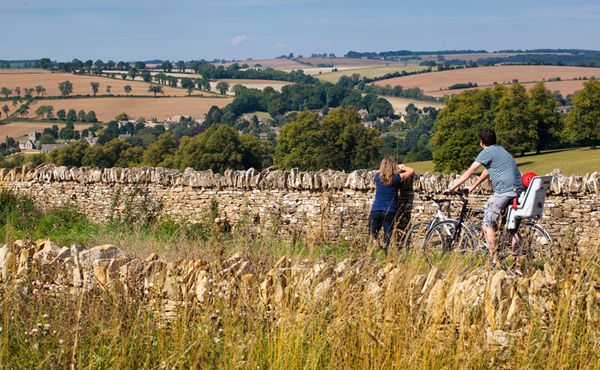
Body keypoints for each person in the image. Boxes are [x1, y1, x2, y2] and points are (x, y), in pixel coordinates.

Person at [445, 128, 523, 266]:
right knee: (512, 228)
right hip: (518, 190)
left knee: (487, 224)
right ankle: (517, 264)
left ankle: (494, 261)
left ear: (481, 142)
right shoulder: (501, 150)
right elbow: (488, 170)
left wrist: (452, 187)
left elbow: (470, 171)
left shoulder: (486, 152)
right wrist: (473, 186)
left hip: (503, 191)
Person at [369, 157, 415, 251]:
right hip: (390, 210)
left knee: (372, 234)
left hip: (376, 209)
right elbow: (411, 170)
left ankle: (372, 254)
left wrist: (393, 167)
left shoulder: (378, 177)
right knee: (388, 236)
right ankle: (388, 257)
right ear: (393, 167)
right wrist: (401, 167)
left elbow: (380, 170)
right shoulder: (397, 178)